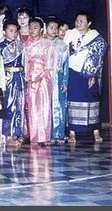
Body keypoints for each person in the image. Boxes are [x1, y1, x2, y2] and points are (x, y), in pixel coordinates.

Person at [63, 12, 107, 143]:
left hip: (88, 74)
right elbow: (63, 53)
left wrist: (93, 74)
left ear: (89, 23)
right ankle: (72, 133)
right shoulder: (70, 34)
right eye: (77, 20)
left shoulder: (96, 37)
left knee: (91, 101)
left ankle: (96, 132)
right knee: (72, 100)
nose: (78, 23)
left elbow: (98, 58)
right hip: (72, 73)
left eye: (81, 21)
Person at [24, 17, 53, 145]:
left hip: (43, 79)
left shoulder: (47, 44)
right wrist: (28, 78)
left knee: (44, 106)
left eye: (35, 27)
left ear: (41, 29)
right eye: (30, 28)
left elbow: (50, 64)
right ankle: (34, 137)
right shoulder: (25, 45)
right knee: (32, 107)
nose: (32, 30)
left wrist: (40, 76)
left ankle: (45, 136)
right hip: (31, 78)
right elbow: (24, 63)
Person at [0, 20, 26, 146]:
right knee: (9, 106)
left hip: (19, 77)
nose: (13, 33)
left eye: (15, 31)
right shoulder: (0, 47)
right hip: (8, 78)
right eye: (10, 31)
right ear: (4, 32)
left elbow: (24, 62)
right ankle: (8, 135)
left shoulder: (20, 45)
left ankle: (18, 132)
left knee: (20, 105)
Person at [46, 17, 70, 145]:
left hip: (59, 78)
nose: (54, 30)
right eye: (51, 27)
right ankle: (47, 134)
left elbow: (66, 64)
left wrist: (65, 82)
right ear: (46, 28)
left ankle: (59, 134)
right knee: (46, 106)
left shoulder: (63, 45)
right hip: (45, 79)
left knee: (60, 107)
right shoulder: (42, 43)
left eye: (56, 28)